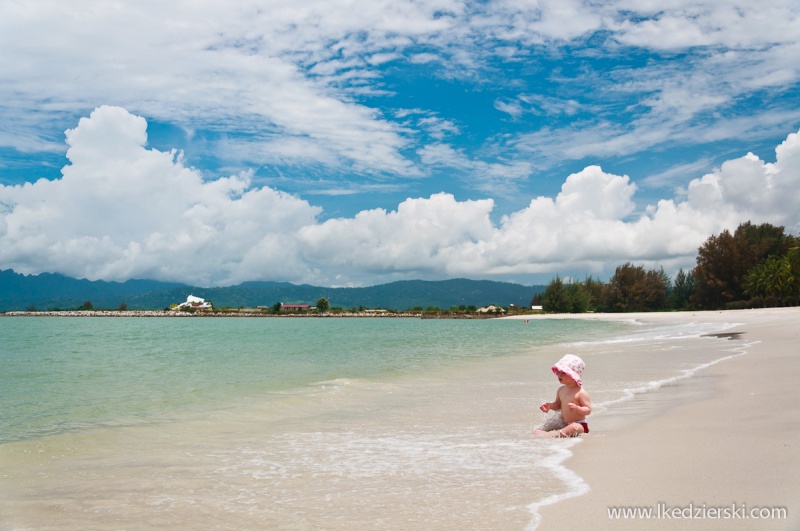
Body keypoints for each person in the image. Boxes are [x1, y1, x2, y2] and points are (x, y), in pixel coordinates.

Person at [534, 354, 592, 438]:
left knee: (573, 427)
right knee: (551, 421)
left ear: (573, 375)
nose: (559, 375)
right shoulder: (561, 390)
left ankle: (554, 434)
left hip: (579, 424)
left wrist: (577, 408)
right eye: (559, 372)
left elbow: (588, 410)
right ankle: (543, 430)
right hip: (563, 423)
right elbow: (558, 405)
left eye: (564, 373)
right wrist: (550, 405)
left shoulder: (581, 392)